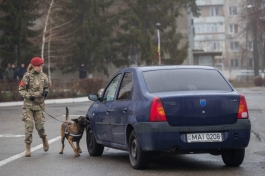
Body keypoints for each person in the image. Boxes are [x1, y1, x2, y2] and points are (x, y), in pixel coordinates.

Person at [18, 57, 49, 157]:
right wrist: (28, 96)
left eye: (41, 66)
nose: (40, 68)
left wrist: (45, 93)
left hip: (39, 105)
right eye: (38, 66)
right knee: (29, 127)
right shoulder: (27, 76)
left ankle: (44, 138)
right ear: (33, 66)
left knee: (40, 127)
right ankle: (28, 148)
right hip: (28, 105)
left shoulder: (44, 76)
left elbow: (46, 87)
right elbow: (21, 89)